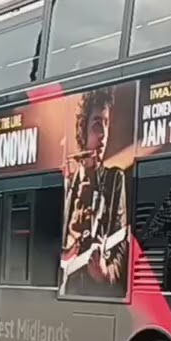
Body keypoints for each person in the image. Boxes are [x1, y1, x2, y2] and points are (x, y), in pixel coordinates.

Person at [60, 87, 128, 299]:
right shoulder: (68, 185)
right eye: (98, 125)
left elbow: (122, 242)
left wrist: (106, 273)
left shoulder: (114, 180)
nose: (104, 135)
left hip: (95, 295)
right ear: (83, 130)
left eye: (107, 124)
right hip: (67, 291)